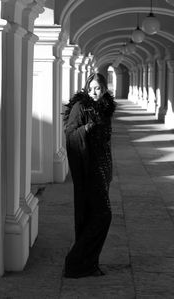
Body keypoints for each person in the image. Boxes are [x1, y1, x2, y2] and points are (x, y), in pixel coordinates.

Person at [63, 72, 116, 278]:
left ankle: (89, 263)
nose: (95, 92)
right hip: (89, 169)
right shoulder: (80, 107)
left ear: (104, 89)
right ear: (87, 87)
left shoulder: (105, 107)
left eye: (99, 88)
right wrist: (88, 128)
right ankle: (75, 262)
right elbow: (70, 134)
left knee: (97, 215)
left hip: (103, 168)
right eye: (92, 88)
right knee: (103, 215)